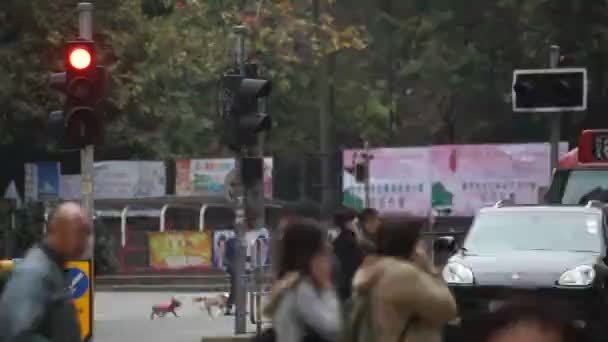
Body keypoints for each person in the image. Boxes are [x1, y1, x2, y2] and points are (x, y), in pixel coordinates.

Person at [350, 220, 457, 342]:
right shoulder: (404, 276)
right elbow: (448, 309)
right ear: (412, 246)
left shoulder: (371, 270)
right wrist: (429, 268)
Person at [0, 202, 92, 342]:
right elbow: (18, 334)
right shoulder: (35, 272)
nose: (84, 241)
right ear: (55, 230)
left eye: (86, 233)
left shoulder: (56, 267)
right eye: (78, 232)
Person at [264, 219, 342, 342]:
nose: (330, 246)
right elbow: (334, 328)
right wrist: (326, 286)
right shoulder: (301, 288)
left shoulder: (288, 283)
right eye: (324, 244)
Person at [332, 208, 363, 302]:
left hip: (345, 280)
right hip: (349, 280)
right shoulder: (349, 240)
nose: (357, 223)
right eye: (355, 221)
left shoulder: (339, 239)